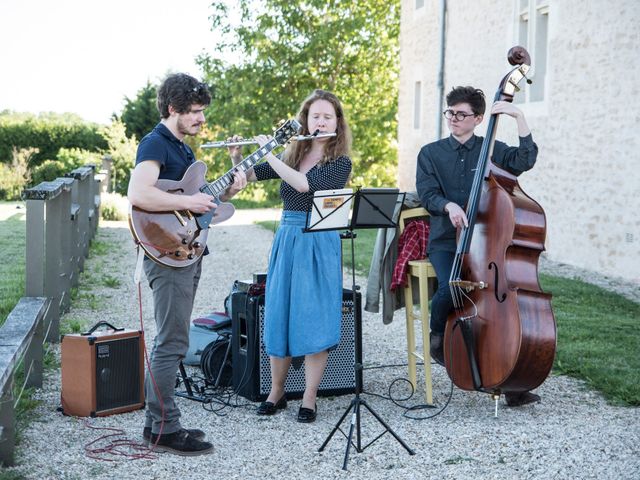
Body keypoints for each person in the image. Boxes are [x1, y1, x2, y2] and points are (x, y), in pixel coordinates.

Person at [127, 73, 246, 455]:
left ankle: (157, 425)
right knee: (171, 342)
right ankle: (165, 429)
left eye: (203, 112)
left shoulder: (184, 150)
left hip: (186, 251)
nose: (201, 119)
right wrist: (187, 204)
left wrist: (230, 182)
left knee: (173, 340)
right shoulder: (155, 143)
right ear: (173, 109)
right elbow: (139, 192)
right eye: (195, 112)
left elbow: (201, 200)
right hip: (166, 252)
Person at [228, 89, 352, 423]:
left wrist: (268, 153)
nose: (321, 121)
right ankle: (276, 391)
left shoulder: (340, 162)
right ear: (306, 120)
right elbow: (250, 176)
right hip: (288, 237)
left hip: (318, 240)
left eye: (328, 116)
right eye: (316, 116)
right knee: (279, 312)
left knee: (313, 315)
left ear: (337, 122)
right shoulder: (292, 154)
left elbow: (302, 185)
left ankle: (309, 398)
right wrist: (239, 157)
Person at [415, 85, 541, 407]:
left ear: (479, 118)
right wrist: (448, 206)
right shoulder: (430, 153)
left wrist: (518, 116)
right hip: (447, 241)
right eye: (450, 113)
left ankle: (508, 372)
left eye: (461, 114)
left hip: (489, 244)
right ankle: (437, 338)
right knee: (452, 288)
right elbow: (427, 194)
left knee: (501, 308)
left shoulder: (490, 149)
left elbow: (525, 159)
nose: (454, 119)